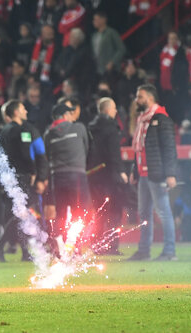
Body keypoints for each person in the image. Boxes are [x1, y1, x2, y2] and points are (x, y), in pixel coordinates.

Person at [0, 100, 48, 262]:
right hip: (22, 176)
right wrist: (33, 173)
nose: (26, 111)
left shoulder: (2, 132)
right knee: (25, 213)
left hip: (7, 178)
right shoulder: (23, 130)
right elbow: (26, 154)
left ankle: (23, 251)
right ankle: (0, 244)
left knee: (18, 214)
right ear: (16, 112)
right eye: (23, 109)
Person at [127, 84, 178, 261]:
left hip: (157, 174)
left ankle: (170, 251)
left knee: (163, 212)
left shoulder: (161, 119)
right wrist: (135, 169)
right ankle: (143, 251)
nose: (137, 100)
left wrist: (170, 174)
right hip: (143, 175)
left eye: (139, 97)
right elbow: (139, 150)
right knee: (144, 214)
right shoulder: (143, 120)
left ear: (149, 98)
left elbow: (170, 148)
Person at [43, 102, 91, 245]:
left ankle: (58, 247)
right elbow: (86, 148)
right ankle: (76, 248)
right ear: (65, 115)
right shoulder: (79, 128)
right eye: (70, 114)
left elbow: (47, 155)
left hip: (57, 177)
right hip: (77, 175)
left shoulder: (48, 134)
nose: (73, 117)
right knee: (80, 213)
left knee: (61, 214)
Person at [87, 97, 128, 254]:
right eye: (114, 108)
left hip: (94, 176)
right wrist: (121, 171)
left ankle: (96, 245)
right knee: (114, 211)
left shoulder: (90, 128)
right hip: (110, 176)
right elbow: (114, 154)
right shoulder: (111, 128)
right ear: (107, 110)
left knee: (98, 212)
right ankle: (112, 246)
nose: (116, 111)